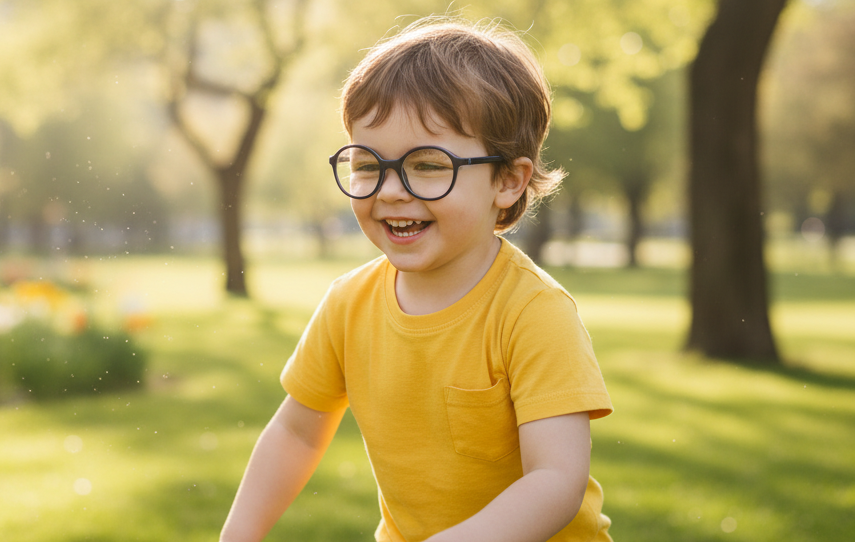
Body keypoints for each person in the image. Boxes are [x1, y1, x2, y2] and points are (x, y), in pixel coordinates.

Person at [220, 17, 613, 542]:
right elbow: (295, 433)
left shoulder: (533, 313)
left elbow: (556, 480)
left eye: (427, 165)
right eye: (368, 164)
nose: (391, 190)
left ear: (508, 180)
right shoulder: (348, 304)